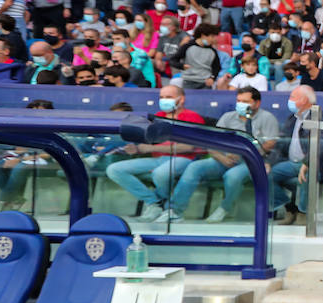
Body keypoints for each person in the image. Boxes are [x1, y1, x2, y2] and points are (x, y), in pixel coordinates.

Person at [159, 86, 280, 222]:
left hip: (251, 161)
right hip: (223, 159)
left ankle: (225, 208)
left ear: (257, 103)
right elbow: (212, 142)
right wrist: (221, 157)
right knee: (195, 167)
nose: (240, 104)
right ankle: (175, 211)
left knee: (232, 176)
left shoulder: (267, 117)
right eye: (239, 100)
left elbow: (270, 144)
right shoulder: (228, 117)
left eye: (245, 101)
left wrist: (242, 152)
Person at [104, 85, 206, 218]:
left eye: (169, 97)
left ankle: (167, 208)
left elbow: (188, 147)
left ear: (181, 99)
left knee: (160, 174)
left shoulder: (192, 117)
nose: (164, 100)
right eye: (162, 97)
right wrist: (135, 148)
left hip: (184, 158)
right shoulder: (158, 116)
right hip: (157, 159)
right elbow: (148, 141)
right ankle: (154, 203)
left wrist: (151, 148)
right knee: (114, 169)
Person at [268, 85, 323, 225]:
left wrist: (307, 162)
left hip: (313, 164)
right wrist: (269, 162)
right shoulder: (292, 118)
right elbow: (281, 144)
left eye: (293, 97)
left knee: (308, 175)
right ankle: (290, 208)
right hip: (291, 163)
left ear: (304, 100)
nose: (289, 100)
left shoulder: (320, 116)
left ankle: (304, 214)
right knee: (266, 174)